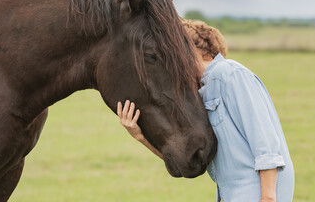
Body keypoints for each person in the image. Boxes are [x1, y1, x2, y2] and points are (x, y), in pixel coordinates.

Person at [117, 19, 294, 202]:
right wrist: (140, 136)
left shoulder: (228, 74)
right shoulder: (202, 94)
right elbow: (189, 159)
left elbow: (264, 140)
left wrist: (268, 197)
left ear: (189, 48)